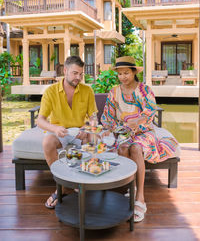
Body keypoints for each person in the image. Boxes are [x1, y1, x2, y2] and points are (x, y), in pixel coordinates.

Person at [101, 56, 179, 223]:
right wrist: (109, 129)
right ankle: (130, 187)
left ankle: (140, 196)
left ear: (134, 72)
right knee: (122, 148)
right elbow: (109, 115)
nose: (123, 77)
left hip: (144, 132)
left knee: (136, 147)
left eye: (126, 73)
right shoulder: (114, 92)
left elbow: (150, 111)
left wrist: (137, 122)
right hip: (124, 132)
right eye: (120, 74)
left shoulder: (144, 90)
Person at [37, 55, 97, 209]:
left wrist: (88, 128)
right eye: (75, 73)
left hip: (79, 131)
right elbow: (40, 120)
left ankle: (81, 183)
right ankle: (63, 184)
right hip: (60, 131)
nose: (78, 77)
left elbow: (93, 117)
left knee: (93, 137)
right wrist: (55, 128)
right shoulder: (50, 91)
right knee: (47, 142)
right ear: (65, 70)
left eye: (81, 74)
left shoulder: (87, 90)